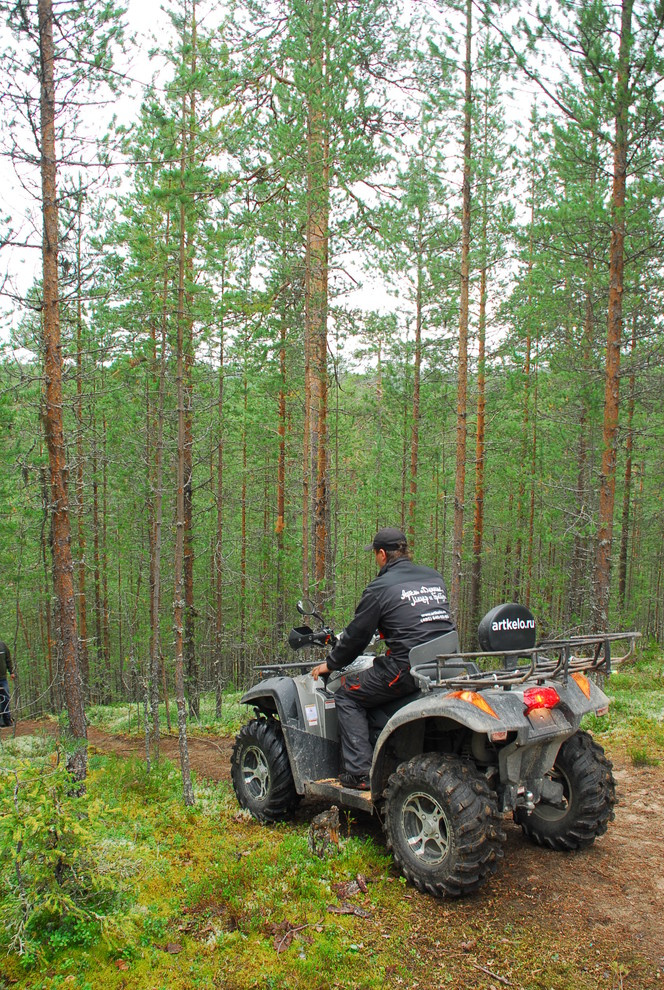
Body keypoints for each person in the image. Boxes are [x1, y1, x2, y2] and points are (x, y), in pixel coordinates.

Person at [311, 527, 456, 790]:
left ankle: (359, 773)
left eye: (375, 555)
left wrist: (330, 664)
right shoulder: (433, 577)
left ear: (381, 554)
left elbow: (356, 637)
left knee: (347, 694)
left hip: (406, 669)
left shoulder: (380, 587)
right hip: (445, 664)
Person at [0, 637, 14, 728]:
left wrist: (11, 672)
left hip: (3, 678)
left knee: (5, 698)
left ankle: (7, 719)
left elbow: (8, 659)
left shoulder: (3, 645)